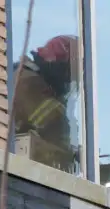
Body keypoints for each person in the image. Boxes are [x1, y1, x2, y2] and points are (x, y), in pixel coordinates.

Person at [12, 35, 79, 173]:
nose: (67, 82)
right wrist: (78, 159)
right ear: (58, 66)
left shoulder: (23, 76)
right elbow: (55, 127)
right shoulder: (29, 83)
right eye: (68, 74)